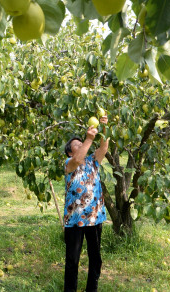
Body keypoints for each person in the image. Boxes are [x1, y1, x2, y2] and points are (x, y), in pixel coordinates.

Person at [63, 116, 110, 292]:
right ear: (69, 152)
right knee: (72, 260)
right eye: (77, 144)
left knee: (95, 258)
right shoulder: (69, 163)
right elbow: (77, 160)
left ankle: (92, 289)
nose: (81, 144)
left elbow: (103, 148)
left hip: (94, 218)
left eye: (82, 142)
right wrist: (89, 138)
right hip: (75, 220)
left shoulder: (92, 161)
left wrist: (104, 128)